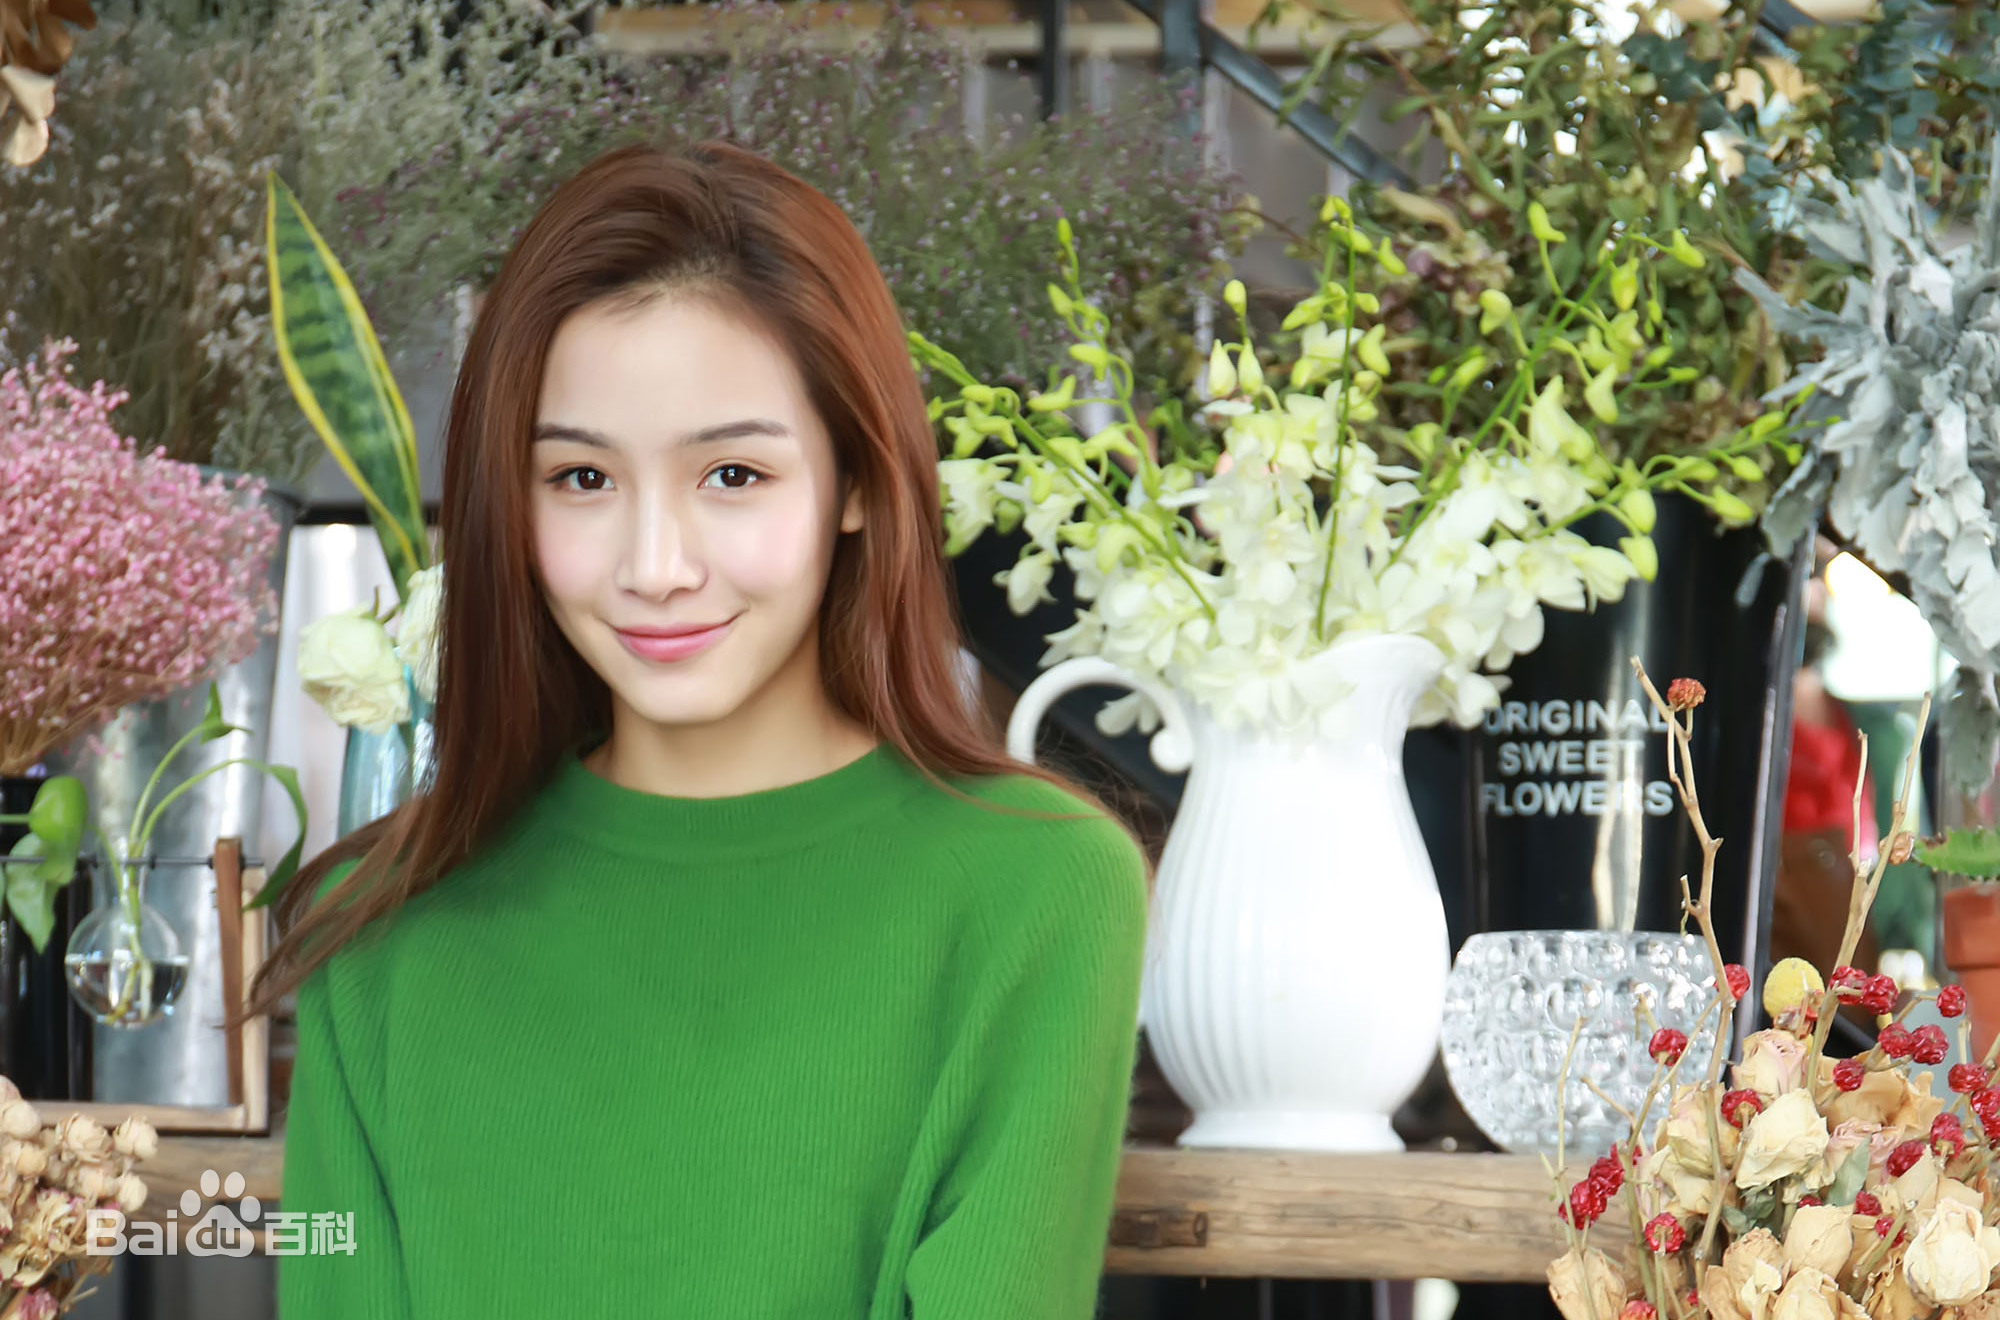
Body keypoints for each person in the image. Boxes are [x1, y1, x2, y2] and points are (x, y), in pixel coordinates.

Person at [236, 139, 1153, 1320]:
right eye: (582, 479)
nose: (654, 567)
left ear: (856, 482)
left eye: (731, 475)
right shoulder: (384, 931)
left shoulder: (1040, 891)